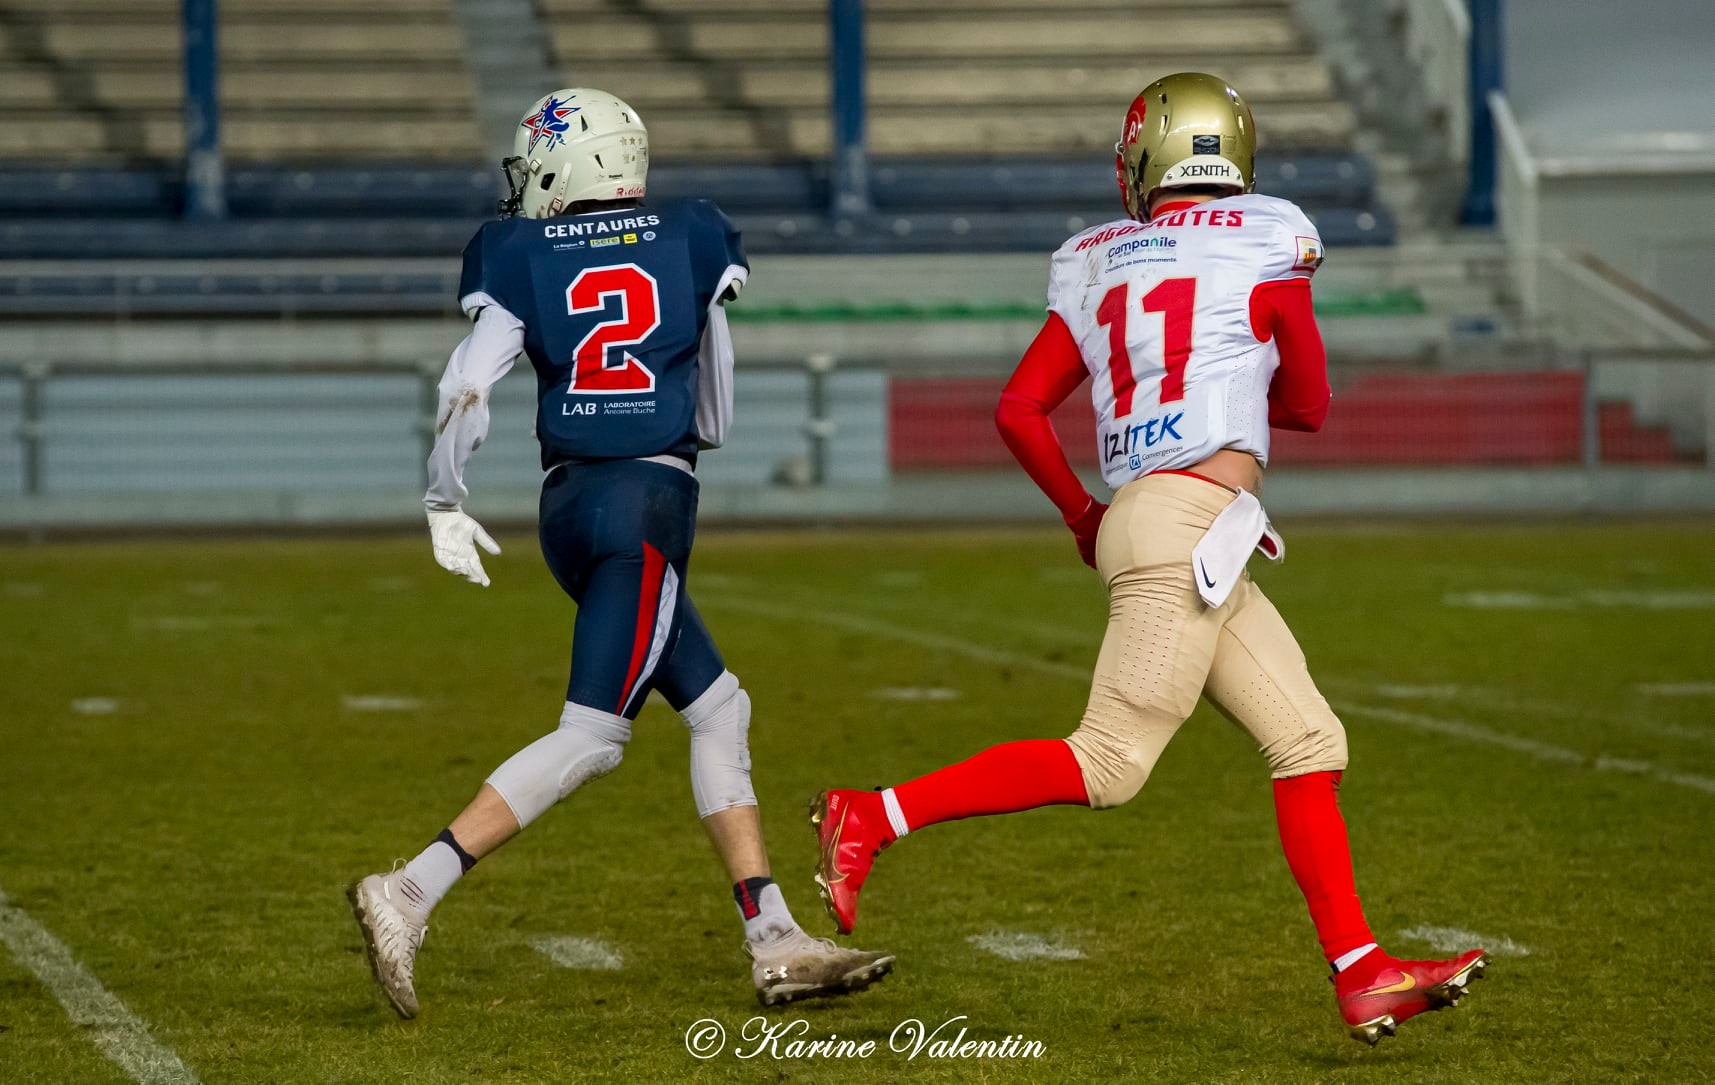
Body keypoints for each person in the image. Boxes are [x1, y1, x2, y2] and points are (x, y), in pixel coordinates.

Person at [810, 73, 1484, 1045]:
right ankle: (869, 814)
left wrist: (1081, 513)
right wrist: (1236, 378)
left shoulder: (1097, 258)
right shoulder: (1266, 237)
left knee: (1307, 739)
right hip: (1186, 522)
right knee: (1109, 761)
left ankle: (1362, 972)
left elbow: (1017, 408)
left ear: (1143, 161)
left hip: (1175, 522)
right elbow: (1308, 404)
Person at [348, 88, 893, 1019]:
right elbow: (714, 403)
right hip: (644, 504)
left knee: (719, 708)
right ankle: (407, 889)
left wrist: (444, 498)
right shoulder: (689, 236)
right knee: (593, 735)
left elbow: (467, 384)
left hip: (570, 504)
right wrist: (671, 434)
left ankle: (774, 938)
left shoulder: (521, 250)